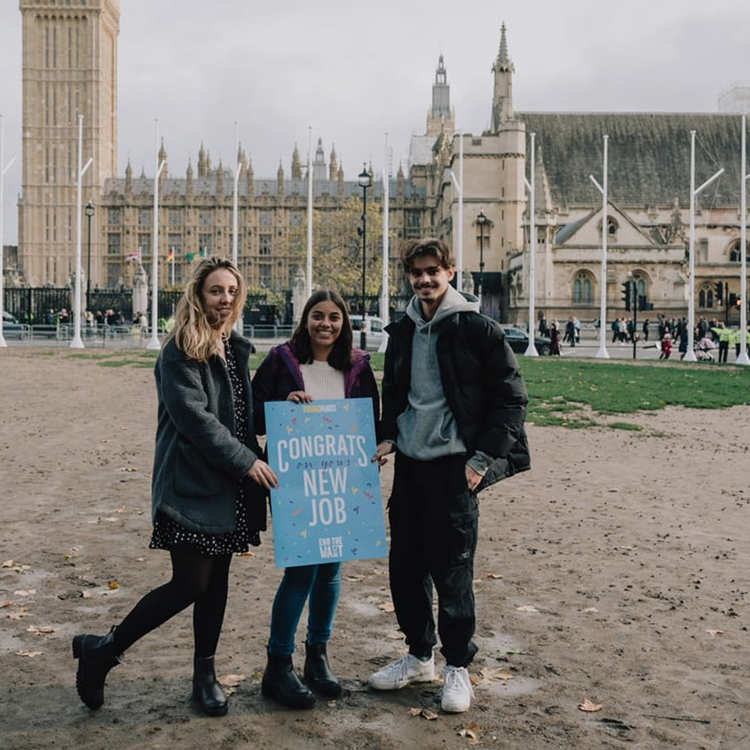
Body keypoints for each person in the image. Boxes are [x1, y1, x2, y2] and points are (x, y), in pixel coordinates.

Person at [72, 257, 278, 716]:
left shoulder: (234, 347)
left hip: (228, 487)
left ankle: (204, 675)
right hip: (189, 486)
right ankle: (102, 651)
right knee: (189, 583)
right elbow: (197, 423)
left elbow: (242, 418)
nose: (224, 299)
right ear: (198, 295)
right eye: (215, 291)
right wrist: (248, 462)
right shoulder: (180, 350)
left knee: (217, 581)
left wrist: (288, 405)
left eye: (230, 291)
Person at [368, 238, 529, 713]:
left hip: (455, 468)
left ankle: (457, 665)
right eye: (416, 272)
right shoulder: (402, 330)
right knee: (405, 568)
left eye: (433, 271)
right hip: (412, 466)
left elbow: (512, 399)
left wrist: (482, 461)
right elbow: (395, 392)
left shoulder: (477, 328)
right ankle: (420, 656)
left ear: (450, 272)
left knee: (453, 571)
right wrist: (388, 435)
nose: (424, 280)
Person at [251, 290, 380, 709]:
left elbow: (370, 421)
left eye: (334, 318)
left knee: (330, 571)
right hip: (294, 481)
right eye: (318, 316)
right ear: (305, 319)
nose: (326, 324)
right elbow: (252, 415)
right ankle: (278, 664)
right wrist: (284, 405)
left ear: (345, 323)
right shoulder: (281, 359)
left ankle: (317, 655)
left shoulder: (358, 365)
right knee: (301, 572)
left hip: (340, 481)